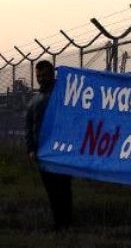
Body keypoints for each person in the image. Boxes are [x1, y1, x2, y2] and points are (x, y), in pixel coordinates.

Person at [26, 60, 72, 231]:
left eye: (44, 75)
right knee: (52, 190)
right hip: (43, 153)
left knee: (64, 189)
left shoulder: (63, 96)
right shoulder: (34, 101)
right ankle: (58, 223)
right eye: (38, 75)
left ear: (52, 75)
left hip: (61, 151)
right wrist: (30, 149)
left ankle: (66, 222)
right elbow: (28, 128)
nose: (41, 78)